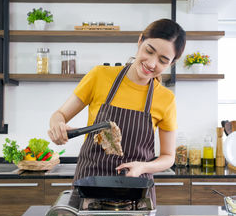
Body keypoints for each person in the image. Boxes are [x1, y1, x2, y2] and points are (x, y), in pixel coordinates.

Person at [48, 18, 186, 206]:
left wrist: (143, 166)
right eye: (149, 51)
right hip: (90, 186)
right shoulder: (100, 76)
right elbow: (60, 115)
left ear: (171, 63)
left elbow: (168, 157)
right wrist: (57, 124)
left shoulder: (165, 99)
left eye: (163, 60)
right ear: (140, 41)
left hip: (136, 191)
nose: (152, 64)